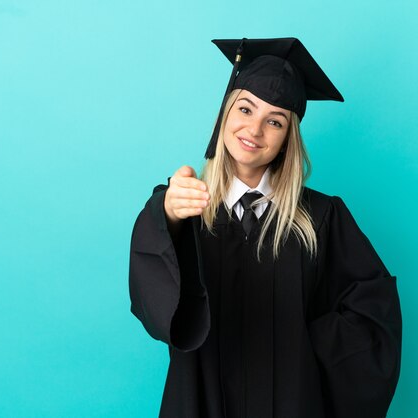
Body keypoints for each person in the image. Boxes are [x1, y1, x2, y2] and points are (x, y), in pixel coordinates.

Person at [129, 38, 402, 418]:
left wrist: (304, 346)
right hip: (202, 400)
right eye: (245, 108)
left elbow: (375, 309)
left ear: (287, 138)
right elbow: (154, 301)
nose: (254, 129)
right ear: (224, 114)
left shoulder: (322, 217)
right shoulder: (187, 205)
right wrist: (170, 216)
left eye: (274, 121)